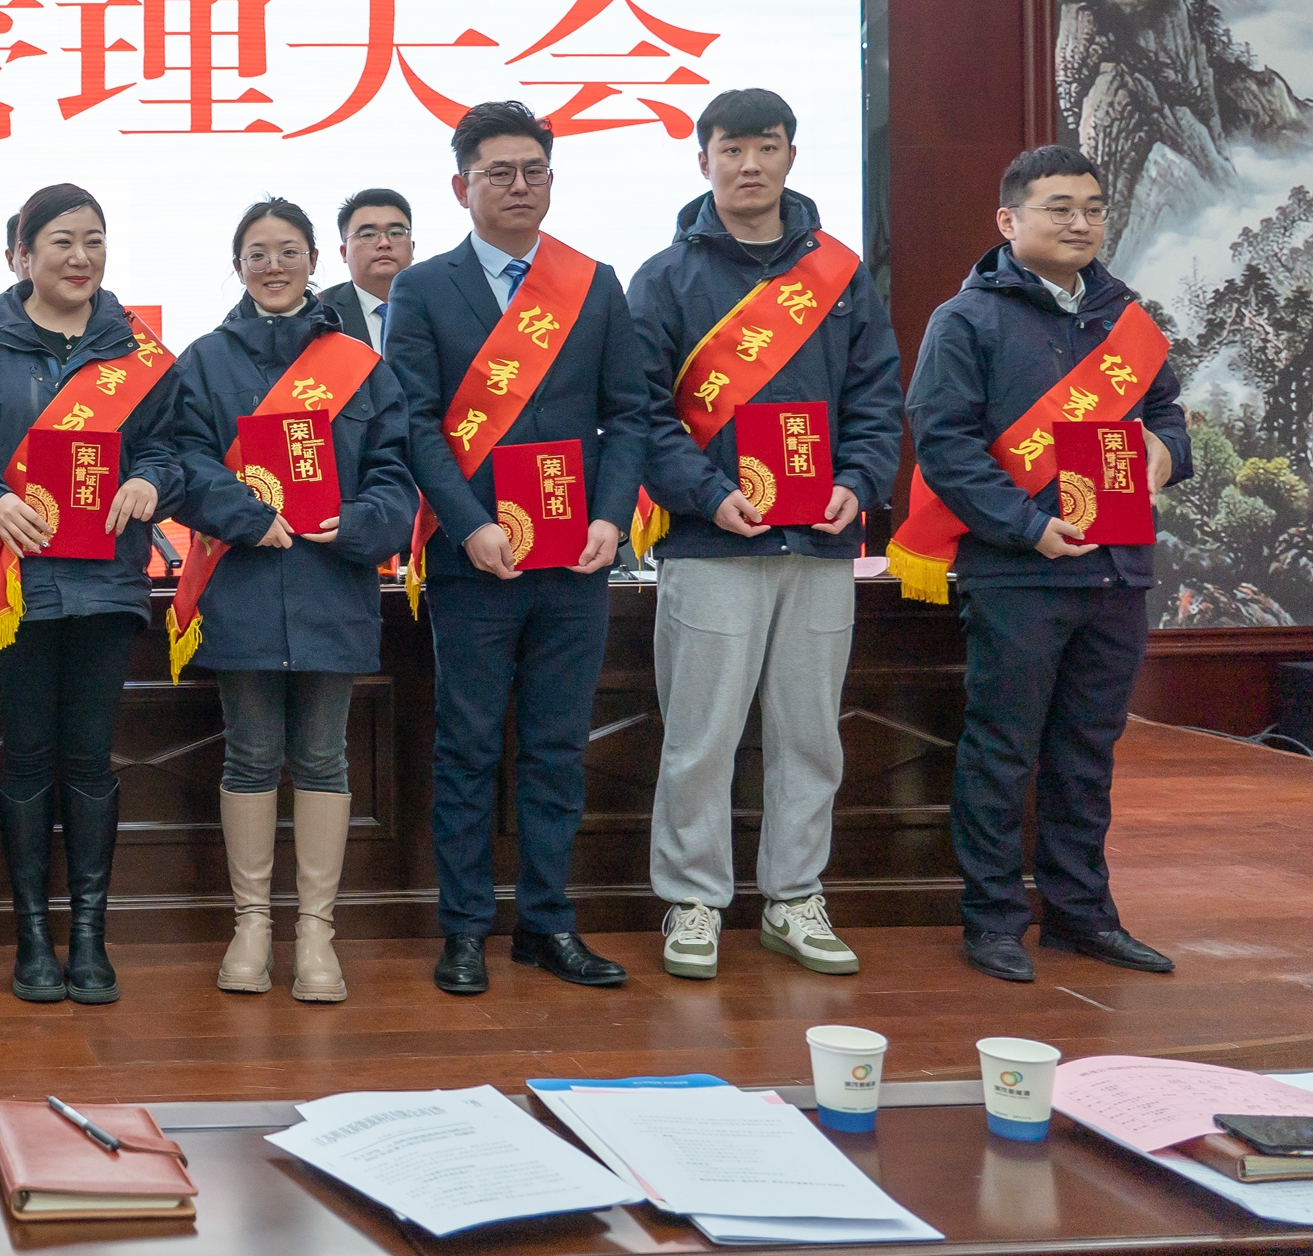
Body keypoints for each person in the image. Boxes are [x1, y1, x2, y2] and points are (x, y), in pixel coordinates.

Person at [629, 89, 903, 982]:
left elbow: (876, 395)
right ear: (703, 160)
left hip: (818, 545)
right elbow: (642, 414)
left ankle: (794, 897)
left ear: (790, 155)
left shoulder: (840, 274)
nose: (750, 164)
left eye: (768, 146)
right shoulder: (664, 278)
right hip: (712, 544)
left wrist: (858, 483)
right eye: (732, 148)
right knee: (700, 736)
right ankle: (693, 902)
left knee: (810, 735)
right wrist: (708, 496)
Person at [384, 102, 657, 996]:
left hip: (576, 562)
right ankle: (465, 928)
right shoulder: (424, 289)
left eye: (533, 171)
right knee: (466, 749)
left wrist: (612, 518)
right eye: (498, 172)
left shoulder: (592, 283)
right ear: (460, 186)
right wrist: (470, 524)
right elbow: (417, 423)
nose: (518, 186)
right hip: (475, 562)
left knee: (556, 748)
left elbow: (629, 415)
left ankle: (547, 923)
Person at [901, 143, 1188, 984]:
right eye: (1059, 208)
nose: (1080, 223)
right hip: (1019, 571)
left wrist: (1165, 454)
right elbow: (944, 444)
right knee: (1003, 751)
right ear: (1009, 220)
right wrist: (1027, 526)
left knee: (1088, 751)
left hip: (1117, 571)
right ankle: (993, 919)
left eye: (1093, 208)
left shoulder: (1125, 317)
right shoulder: (967, 319)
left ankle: (1080, 915)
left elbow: (1168, 415)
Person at [0, 182, 184, 1006]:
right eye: (62, 241)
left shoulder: (136, 348)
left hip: (106, 581)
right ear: (21, 255)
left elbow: (176, 446)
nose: (81, 257)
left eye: (94, 240)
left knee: (91, 757)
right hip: (16, 578)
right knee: (29, 752)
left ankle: (90, 938)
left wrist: (151, 479)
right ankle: (34, 937)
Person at [164, 199, 416, 1003]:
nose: (273, 267)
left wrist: (362, 523)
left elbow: (395, 472)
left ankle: (315, 933)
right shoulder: (205, 360)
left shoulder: (360, 363)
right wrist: (246, 514)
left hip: (330, 582)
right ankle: (250, 927)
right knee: (249, 753)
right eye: (257, 254)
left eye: (288, 251)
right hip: (240, 580)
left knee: (322, 756)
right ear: (237, 266)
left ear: (315, 259)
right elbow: (182, 462)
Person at [322, 189, 413, 351]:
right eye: (368, 235)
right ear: (344, 252)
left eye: (396, 233)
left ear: (412, 247)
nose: (384, 243)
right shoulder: (321, 312)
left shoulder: (441, 304)